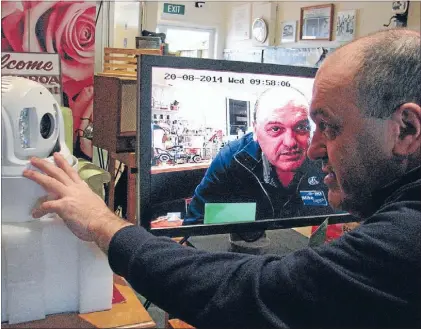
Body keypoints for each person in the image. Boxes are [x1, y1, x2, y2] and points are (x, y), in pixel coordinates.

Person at [24, 28, 421, 328]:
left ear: (406, 129)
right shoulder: (234, 159)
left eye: (326, 127)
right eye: (278, 129)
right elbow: (198, 215)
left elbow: (256, 296)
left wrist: (101, 222)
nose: (312, 148)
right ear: (253, 131)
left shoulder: (405, 238)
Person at [185, 86, 333, 225]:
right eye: (275, 129)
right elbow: (196, 221)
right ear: (255, 130)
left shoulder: (324, 157)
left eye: (301, 127)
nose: (290, 142)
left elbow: (345, 220)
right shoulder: (233, 159)